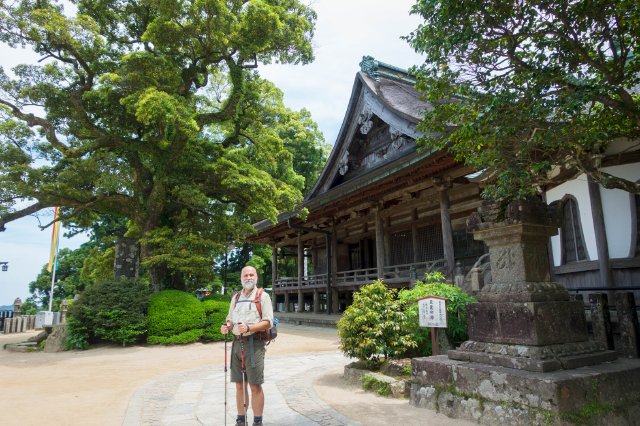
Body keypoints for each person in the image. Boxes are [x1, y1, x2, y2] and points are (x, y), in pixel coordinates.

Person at [221, 265, 274, 426]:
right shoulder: (236, 297)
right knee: (239, 385)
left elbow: (268, 322)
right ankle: (241, 419)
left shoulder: (263, 296)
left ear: (256, 277)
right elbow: (230, 318)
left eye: (251, 275)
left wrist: (250, 327)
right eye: (246, 275)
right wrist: (227, 326)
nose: (248, 277)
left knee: (255, 385)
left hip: (254, 344)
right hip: (236, 343)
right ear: (241, 278)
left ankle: (258, 421)